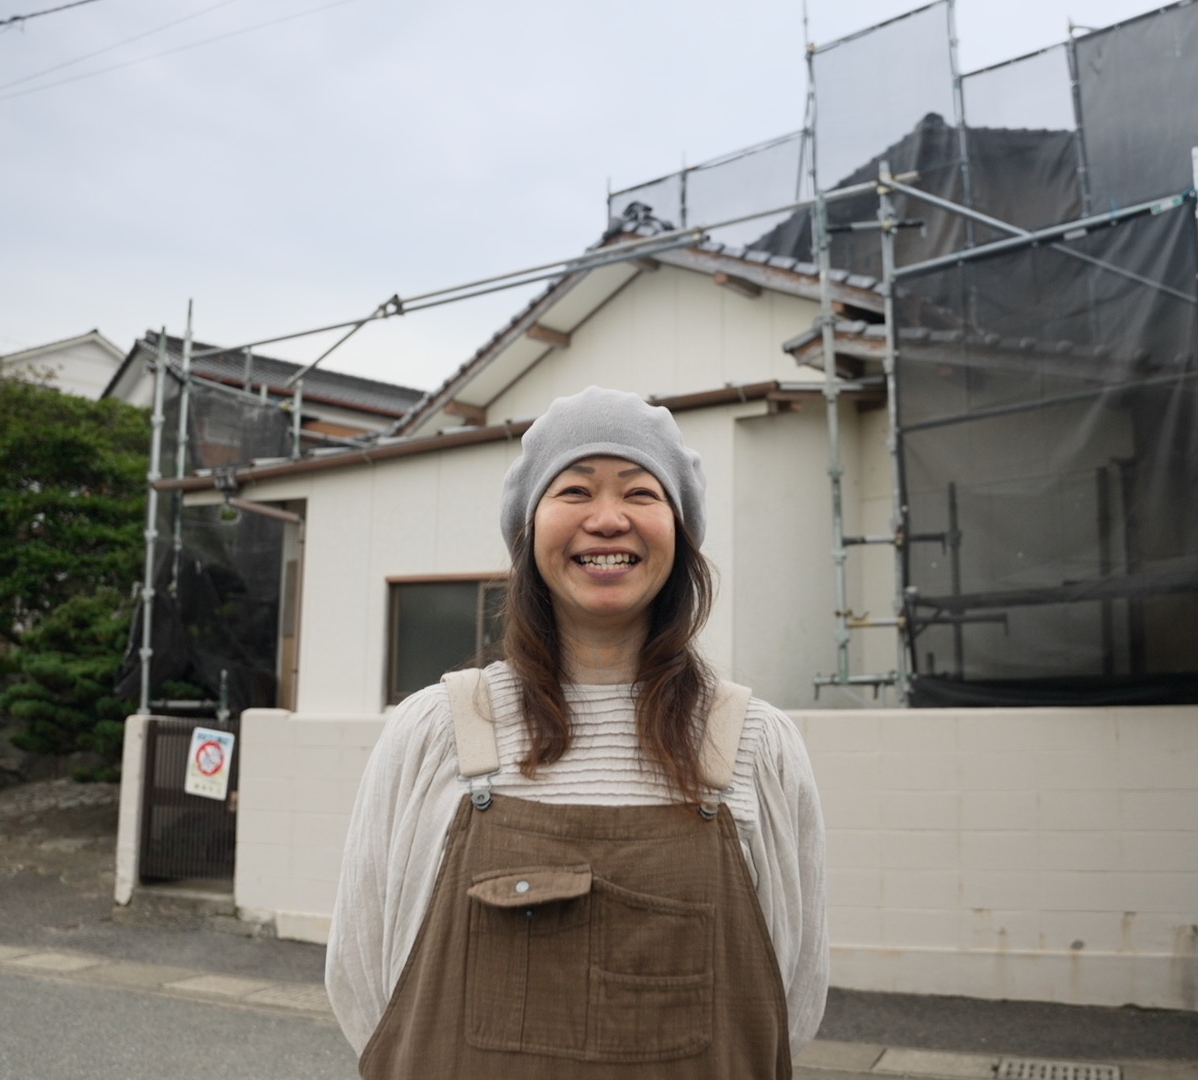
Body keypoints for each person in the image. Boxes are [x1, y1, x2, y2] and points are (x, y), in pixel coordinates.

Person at [325, 385, 828, 1078]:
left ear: (680, 534)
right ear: (528, 532)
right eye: (575, 490)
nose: (608, 518)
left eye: (641, 493)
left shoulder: (755, 743)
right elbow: (361, 982)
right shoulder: (434, 730)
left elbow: (788, 1003)